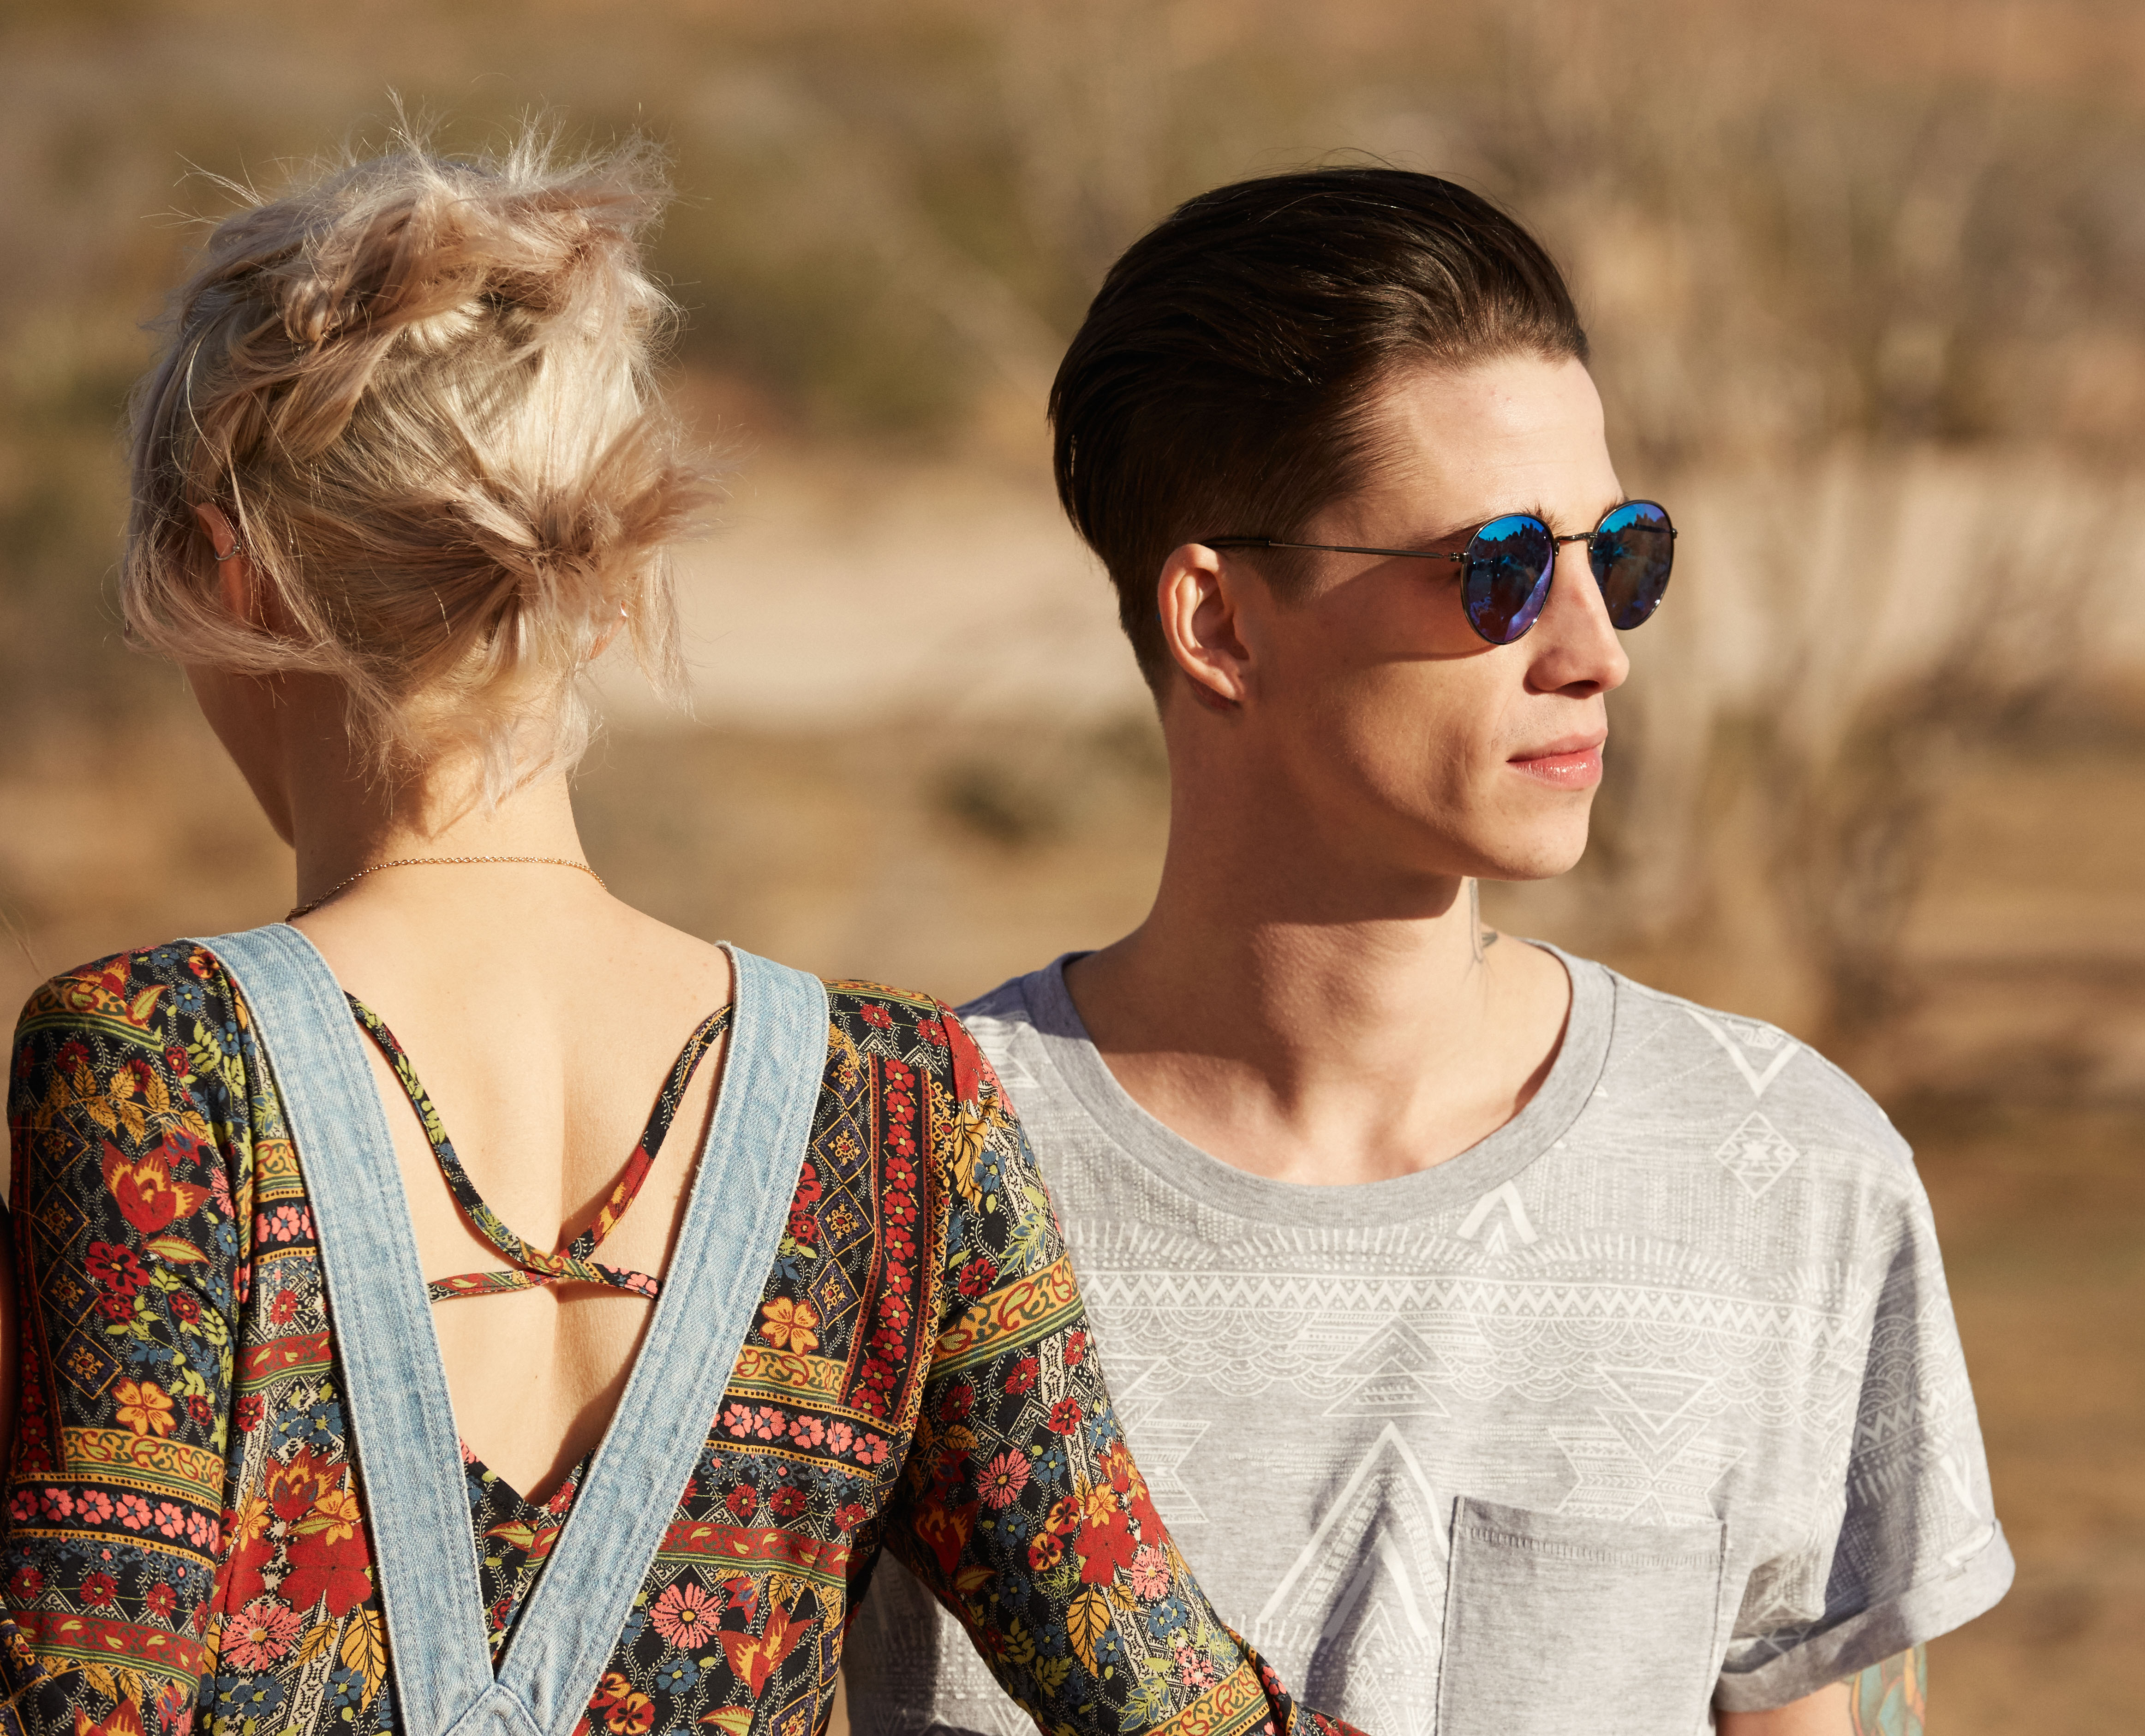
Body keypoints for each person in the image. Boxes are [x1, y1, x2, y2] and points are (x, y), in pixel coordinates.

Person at [0, 134, 1361, 1736]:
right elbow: (1179, 1702)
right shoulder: (895, 1104)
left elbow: (84, 1694)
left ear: (227, 573)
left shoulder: (161, 1064)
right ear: (602, 571)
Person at [848, 169, 2012, 1736]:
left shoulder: (1787, 1173)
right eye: (1499, 569)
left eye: (1622, 554)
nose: (1595, 649)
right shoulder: (897, 1187)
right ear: (1220, 624)